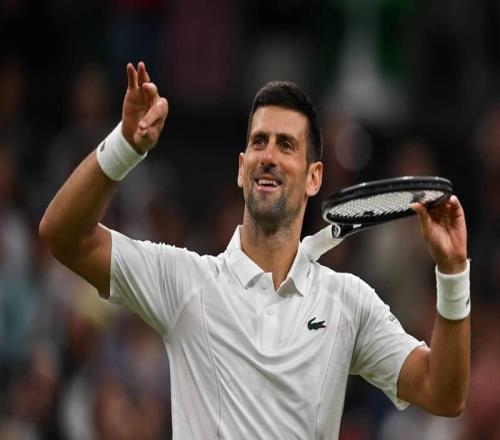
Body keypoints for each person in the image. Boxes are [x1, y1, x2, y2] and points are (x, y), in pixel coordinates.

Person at [39, 62, 470, 439]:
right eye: (259, 142)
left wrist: (452, 273)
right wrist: (124, 147)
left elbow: (443, 393)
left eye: (286, 145)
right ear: (241, 169)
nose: (268, 156)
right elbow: (62, 235)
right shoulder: (184, 281)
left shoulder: (348, 301)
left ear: (314, 177)